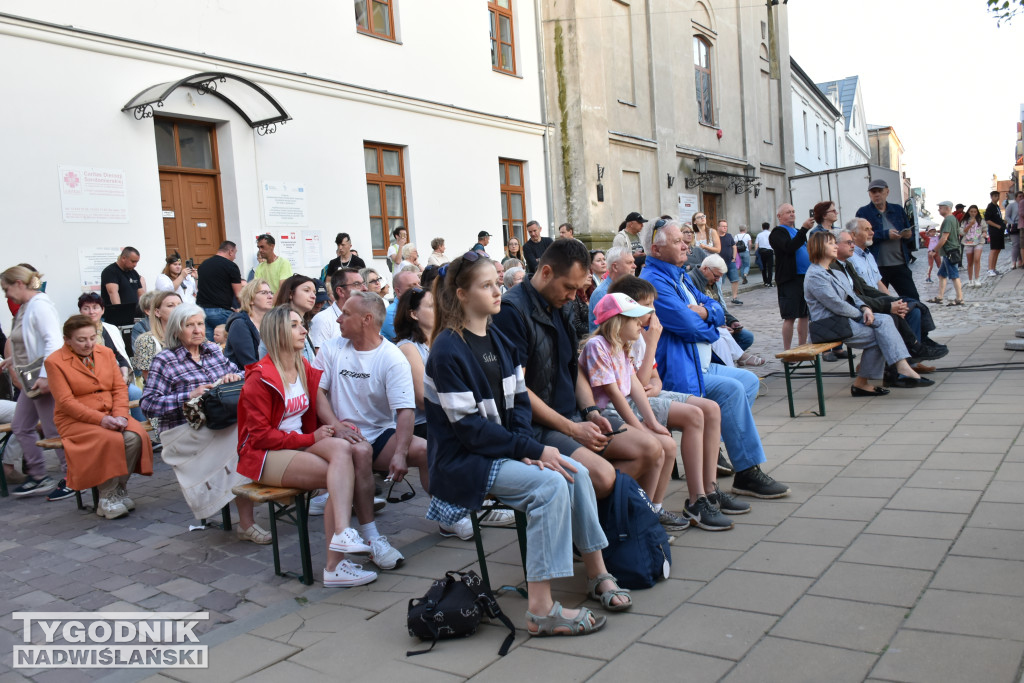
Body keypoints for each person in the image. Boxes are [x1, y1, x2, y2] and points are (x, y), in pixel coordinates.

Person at [425, 251, 630, 628]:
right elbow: (469, 430)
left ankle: (597, 574)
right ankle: (540, 609)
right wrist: (529, 449)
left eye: (497, 283)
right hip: (464, 462)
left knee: (576, 471)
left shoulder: (496, 340)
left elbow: (520, 403)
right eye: (486, 286)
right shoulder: (447, 350)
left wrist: (526, 449)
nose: (497, 291)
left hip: (499, 450)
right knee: (550, 487)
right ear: (461, 294)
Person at [493, 239, 662, 501]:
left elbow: (575, 368)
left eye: (577, 288)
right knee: (603, 476)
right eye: (569, 287)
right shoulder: (512, 311)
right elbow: (518, 391)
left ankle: (612, 523)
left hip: (573, 414)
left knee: (651, 449)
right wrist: (573, 430)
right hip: (537, 426)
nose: (573, 296)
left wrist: (591, 412)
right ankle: (591, 526)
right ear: (546, 272)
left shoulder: (562, 303)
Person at [639, 221, 790, 499]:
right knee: (732, 391)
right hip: (679, 369)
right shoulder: (655, 281)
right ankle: (745, 471)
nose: (686, 245)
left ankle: (715, 447)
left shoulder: (679, 276)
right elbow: (687, 325)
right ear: (656, 249)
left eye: (684, 240)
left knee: (747, 381)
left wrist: (707, 314)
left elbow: (717, 309)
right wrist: (709, 325)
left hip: (699, 363)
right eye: (677, 242)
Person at [238, 305, 378, 586]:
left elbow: (318, 400)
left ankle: (340, 540)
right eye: (294, 325)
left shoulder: (302, 366)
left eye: (302, 324)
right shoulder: (260, 378)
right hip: (266, 455)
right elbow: (261, 437)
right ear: (277, 332)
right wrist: (310, 439)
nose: (303, 330)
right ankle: (335, 562)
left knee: (342, 450)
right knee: (339, 475)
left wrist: (337, 427)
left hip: (296, 446)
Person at [606, 277, 749, 528]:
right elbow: (634, 384)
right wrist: (652, 343)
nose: (652, 311)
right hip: (631, 402)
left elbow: (654, 377)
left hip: (650, 394)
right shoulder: (631, 335)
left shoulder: (639, 332)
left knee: (711, 408)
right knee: (694, 416)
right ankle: (696, 501)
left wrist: (657, 384)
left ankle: (709, 488)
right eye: (646, 305)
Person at [314, 291, 424, 569]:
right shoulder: (331, 348)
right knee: (360, 452)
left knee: (426, 450)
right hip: (340, 436)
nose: (339, 318)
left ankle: (449, 513)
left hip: (378, 434)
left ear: (365, 320)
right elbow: (317, 393)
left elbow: (405, 411)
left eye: (346, 314)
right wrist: (337, 426)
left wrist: (400, 454)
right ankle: (372, 537)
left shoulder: (392, 357)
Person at [141, 304, 268, 541]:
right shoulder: (165, 359)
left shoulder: (212, 351)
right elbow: (148, 405)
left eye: (200, 324)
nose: (197, 330)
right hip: (184, 432)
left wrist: (233, 376)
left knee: (250, 432)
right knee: (242, 441)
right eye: (189, 325)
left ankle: (260, 505)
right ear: (177, 330)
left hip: (217, 424)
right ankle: (247, 523)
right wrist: (188, 395)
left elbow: (243, 373)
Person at [580, 293, 696, 527]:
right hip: (603, 416)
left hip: (618, 412)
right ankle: (638, 515)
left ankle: (653, 509)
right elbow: (613, 394)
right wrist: (639, 428)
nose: (641, 323)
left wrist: (652, 423)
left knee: (668, 445)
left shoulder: (622, 346)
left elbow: (634, 384)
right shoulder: (597, 346)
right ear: (617, 321)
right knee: (655, 447)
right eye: (634, 319)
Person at [44, 315, 154, 518]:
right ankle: (107, 496)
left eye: (92, 338)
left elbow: (119, 388)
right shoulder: (54, 362)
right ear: (67, 340)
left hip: (111, 413)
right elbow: (66, 402)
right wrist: (101, 420)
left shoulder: (105, 353)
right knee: (110, 438)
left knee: (135, 436)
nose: (88, 344)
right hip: (75, 419)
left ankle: (118, 489)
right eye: (81, 339)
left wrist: (120, 415)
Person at [803, 231, 932, 396]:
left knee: (885, 321)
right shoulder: (815, 275)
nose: (835, 246)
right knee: (881, 336)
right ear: (819, 247)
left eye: (835, 242)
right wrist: (861, 314)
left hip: (845, 321)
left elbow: (854, 296)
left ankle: (900, 367)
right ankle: (867, 381)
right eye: (830, 243)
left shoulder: (834, 271)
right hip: (830, 325)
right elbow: (837, 305)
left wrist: (866, 309)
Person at [832, 225, 947, 373]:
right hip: (854, 313)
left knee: (912, 308)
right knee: (892, 317)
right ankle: (907, 357)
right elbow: (852, 298)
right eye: (849, 242)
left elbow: (868, 287)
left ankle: (913, 354)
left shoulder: (848, 262)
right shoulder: (834, 267)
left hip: (866, 305)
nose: (852, 245)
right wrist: (888, 305)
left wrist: (892, 301)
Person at [0, 265, 67, 498]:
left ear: (19, 284)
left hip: (40, 376)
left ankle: (71, 476)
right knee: (21, 426)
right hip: (32, 377)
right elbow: (29, 342)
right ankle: (39, 475)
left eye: (6, 289)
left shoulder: (39, 305)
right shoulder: (27, 307)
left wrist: (46, 377)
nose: (6, 294)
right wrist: (11, 359)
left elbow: (53, 342)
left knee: (52, 428)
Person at [77, 292, 144, 421]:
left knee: (136, 393)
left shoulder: (111, 329)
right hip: (92, 382)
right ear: (80, 311)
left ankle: (142, 430)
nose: (91, 312)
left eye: (95, 307)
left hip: (116, 378)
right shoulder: (76, 333)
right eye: (86, 308)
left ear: (102, 310)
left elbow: (120, 355)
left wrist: (124, 375)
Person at [688, 256, 762, 367]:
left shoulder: (711, 281)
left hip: (716, 322)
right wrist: (719, 324)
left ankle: (732, 360)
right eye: (716, 276)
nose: (718, 280)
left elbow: (719, 307)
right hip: (706, 326)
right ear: (705, 269)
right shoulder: (692, 280)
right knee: (721, 335)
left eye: (719, 277)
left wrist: (732, 321)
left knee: (746, 337)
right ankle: (731, 361)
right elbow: (698, 310)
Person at [855, 179, 920, 300]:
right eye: (873, 192)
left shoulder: (898, 210)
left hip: (900, 263)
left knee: (913, 299)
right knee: (880, 302)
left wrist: (907, 235)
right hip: (877, 266)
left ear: (887, 192)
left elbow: (909, 234)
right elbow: (860, 237)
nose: (877, 194)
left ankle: (912, 319)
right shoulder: (863, 212)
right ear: (870, 194)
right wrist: (885, 234)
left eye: (879, 191)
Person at [770, 203, 814, 350]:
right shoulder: (777, 233)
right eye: (788, 212)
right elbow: (789, 247)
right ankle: (787, 351)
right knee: (790, 316)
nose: (792, 214)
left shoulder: (796, 231)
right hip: (789, 279)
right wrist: (804, 230)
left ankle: (802, 347)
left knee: (804, 314)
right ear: (779, 216)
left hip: (804, 277)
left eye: (793, 211)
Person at [393, 287, 433, 440]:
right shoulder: (408, 348)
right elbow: (424, 399)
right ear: (414, 314)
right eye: (431, 306)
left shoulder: (439, 342)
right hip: (421, 425)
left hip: (441, 417)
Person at [309, 268, 366, 352]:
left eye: (363, 283)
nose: (365, 288)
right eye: (357, 284)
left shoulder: (366, 316)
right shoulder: (323, 320)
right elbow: (320, 361)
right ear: (340, 291)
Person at [196, 241, 244, 341]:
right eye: (235, 253)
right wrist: (244, 309)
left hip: (201, 311)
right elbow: (239, 294)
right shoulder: (231, 266)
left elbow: (199, 287)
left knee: (209, 347)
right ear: (230, 251)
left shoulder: (204, 264)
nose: (235, 257)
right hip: (220, 311)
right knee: (231, 343)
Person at [224, 279, 274, 370]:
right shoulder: (239, 324)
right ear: (251, 299)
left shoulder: (270, 324)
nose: (270, 296)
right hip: (245, 378)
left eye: (271, 293)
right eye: (264, 293)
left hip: (266, 374)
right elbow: (249, 363)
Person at [133, 291, 182, 381]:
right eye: (171, 305)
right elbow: (151, 381)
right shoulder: (147, 341)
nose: (177, 309)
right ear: (157, 312)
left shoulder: (192, 336)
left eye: (180, 305)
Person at [587, 247, 635, 331]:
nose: (634, 266)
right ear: (615, 267)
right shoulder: (603, 294)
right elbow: (606, 332)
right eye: (629, 263)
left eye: (633, 262)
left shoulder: (628, 288)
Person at [273, 275, 318, 363]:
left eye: (314, 292)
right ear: (291, 294)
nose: (313, 296)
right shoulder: (277, 323)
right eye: (306, 290)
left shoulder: (308, 324)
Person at [930, 201, 965, 307]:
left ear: (947, 208)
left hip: (950, 251)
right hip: (950, 251)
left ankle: (959, 298)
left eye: (940, 208)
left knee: (954, 275)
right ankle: (940, 297)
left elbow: (944, 237)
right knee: (942, 274)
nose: (939, 210)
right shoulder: (952, 219)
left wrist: (934, 250)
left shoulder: (949, 220)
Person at [381, 269, 420, 341]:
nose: (419, 288)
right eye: (413, 285)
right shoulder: (390, 313)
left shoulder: (417, 307)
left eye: (419, 283)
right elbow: (410, 340)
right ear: (398, 291)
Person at [716, 220, 742, 305]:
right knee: (719, 282)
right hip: (719, 263)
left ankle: (735, 297)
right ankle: (719, 298)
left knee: (735, 280)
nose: (725, 228)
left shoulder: (729, 236)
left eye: (726, 226)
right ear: (718, 227)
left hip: (730, 262)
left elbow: (734, 247)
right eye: (723, 226)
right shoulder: (715, 237)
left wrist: (734, 258)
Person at [960, 204, 985, 287]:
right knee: (970, 262)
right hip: (968, 242)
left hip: (979, 241)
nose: (973, 213)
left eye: (975, 211)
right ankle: (970, 279)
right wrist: (970, 225)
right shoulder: (965, 221)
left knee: (977, 259)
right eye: (971, 211)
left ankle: (977, 279)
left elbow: (985, 229)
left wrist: (984, 234)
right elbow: (962, 232)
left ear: (977, 212)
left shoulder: (981, 221)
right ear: (969, 212)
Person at [984, 190, 1005, 277]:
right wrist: (997, 226)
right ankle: (990, 269)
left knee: (998, 249)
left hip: (1000, 230)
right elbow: (987, 220)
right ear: (992, 197)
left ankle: (994, 268)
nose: (997, 198)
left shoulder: (997, 206)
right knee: (994, 249)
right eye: (995, 196)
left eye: (998, 196)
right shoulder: (990, 207)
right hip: (994, 230)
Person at [755, 221, 774, 287]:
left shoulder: (759, 235)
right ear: (769, 227)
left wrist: (756, 253)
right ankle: (769, 282)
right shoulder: (771, 234)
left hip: (762, 251)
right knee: (770, 268)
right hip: (769, 251)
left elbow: (756, 244)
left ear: (762, 227)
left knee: (763, 267)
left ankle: (765, 281)